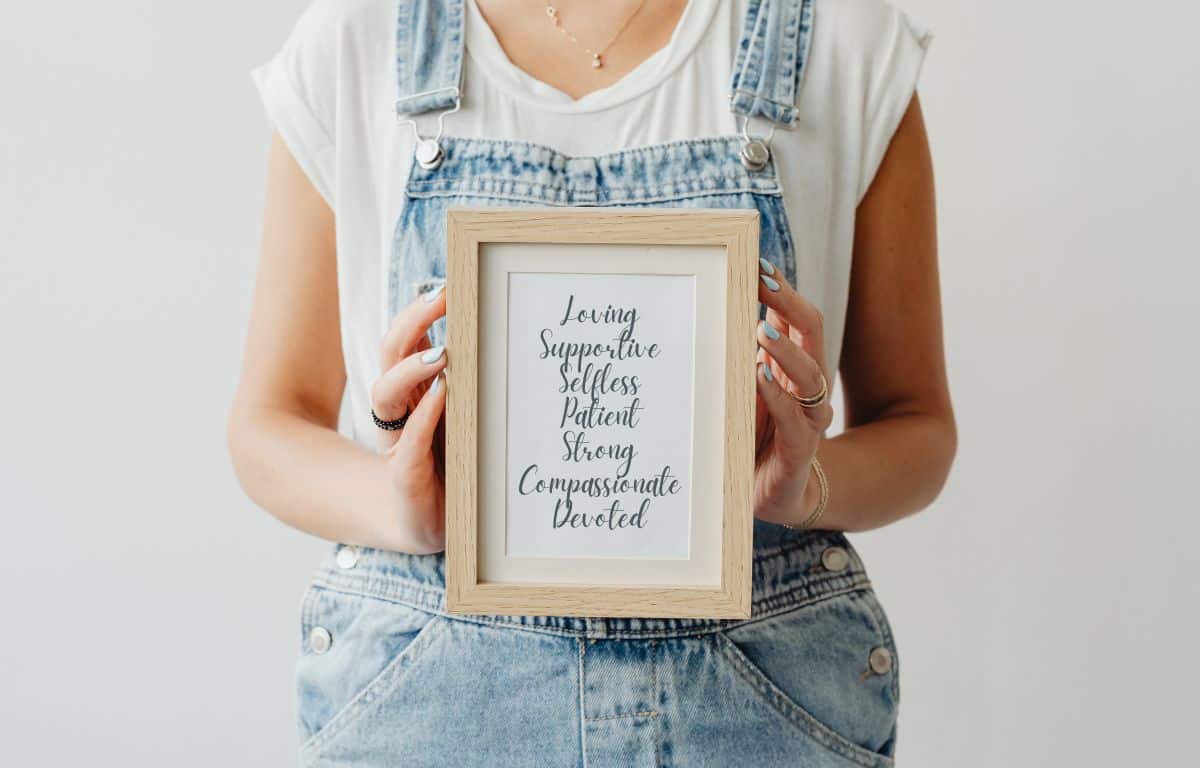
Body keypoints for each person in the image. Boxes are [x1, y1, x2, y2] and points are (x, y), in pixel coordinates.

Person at [227, 0, 956, 764]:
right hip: (429, 698)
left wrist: (803, 489)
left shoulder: (842, 39)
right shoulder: (359, 36)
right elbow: (270, 421)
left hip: (757, 704)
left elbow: (917, 423)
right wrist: (399, 506)